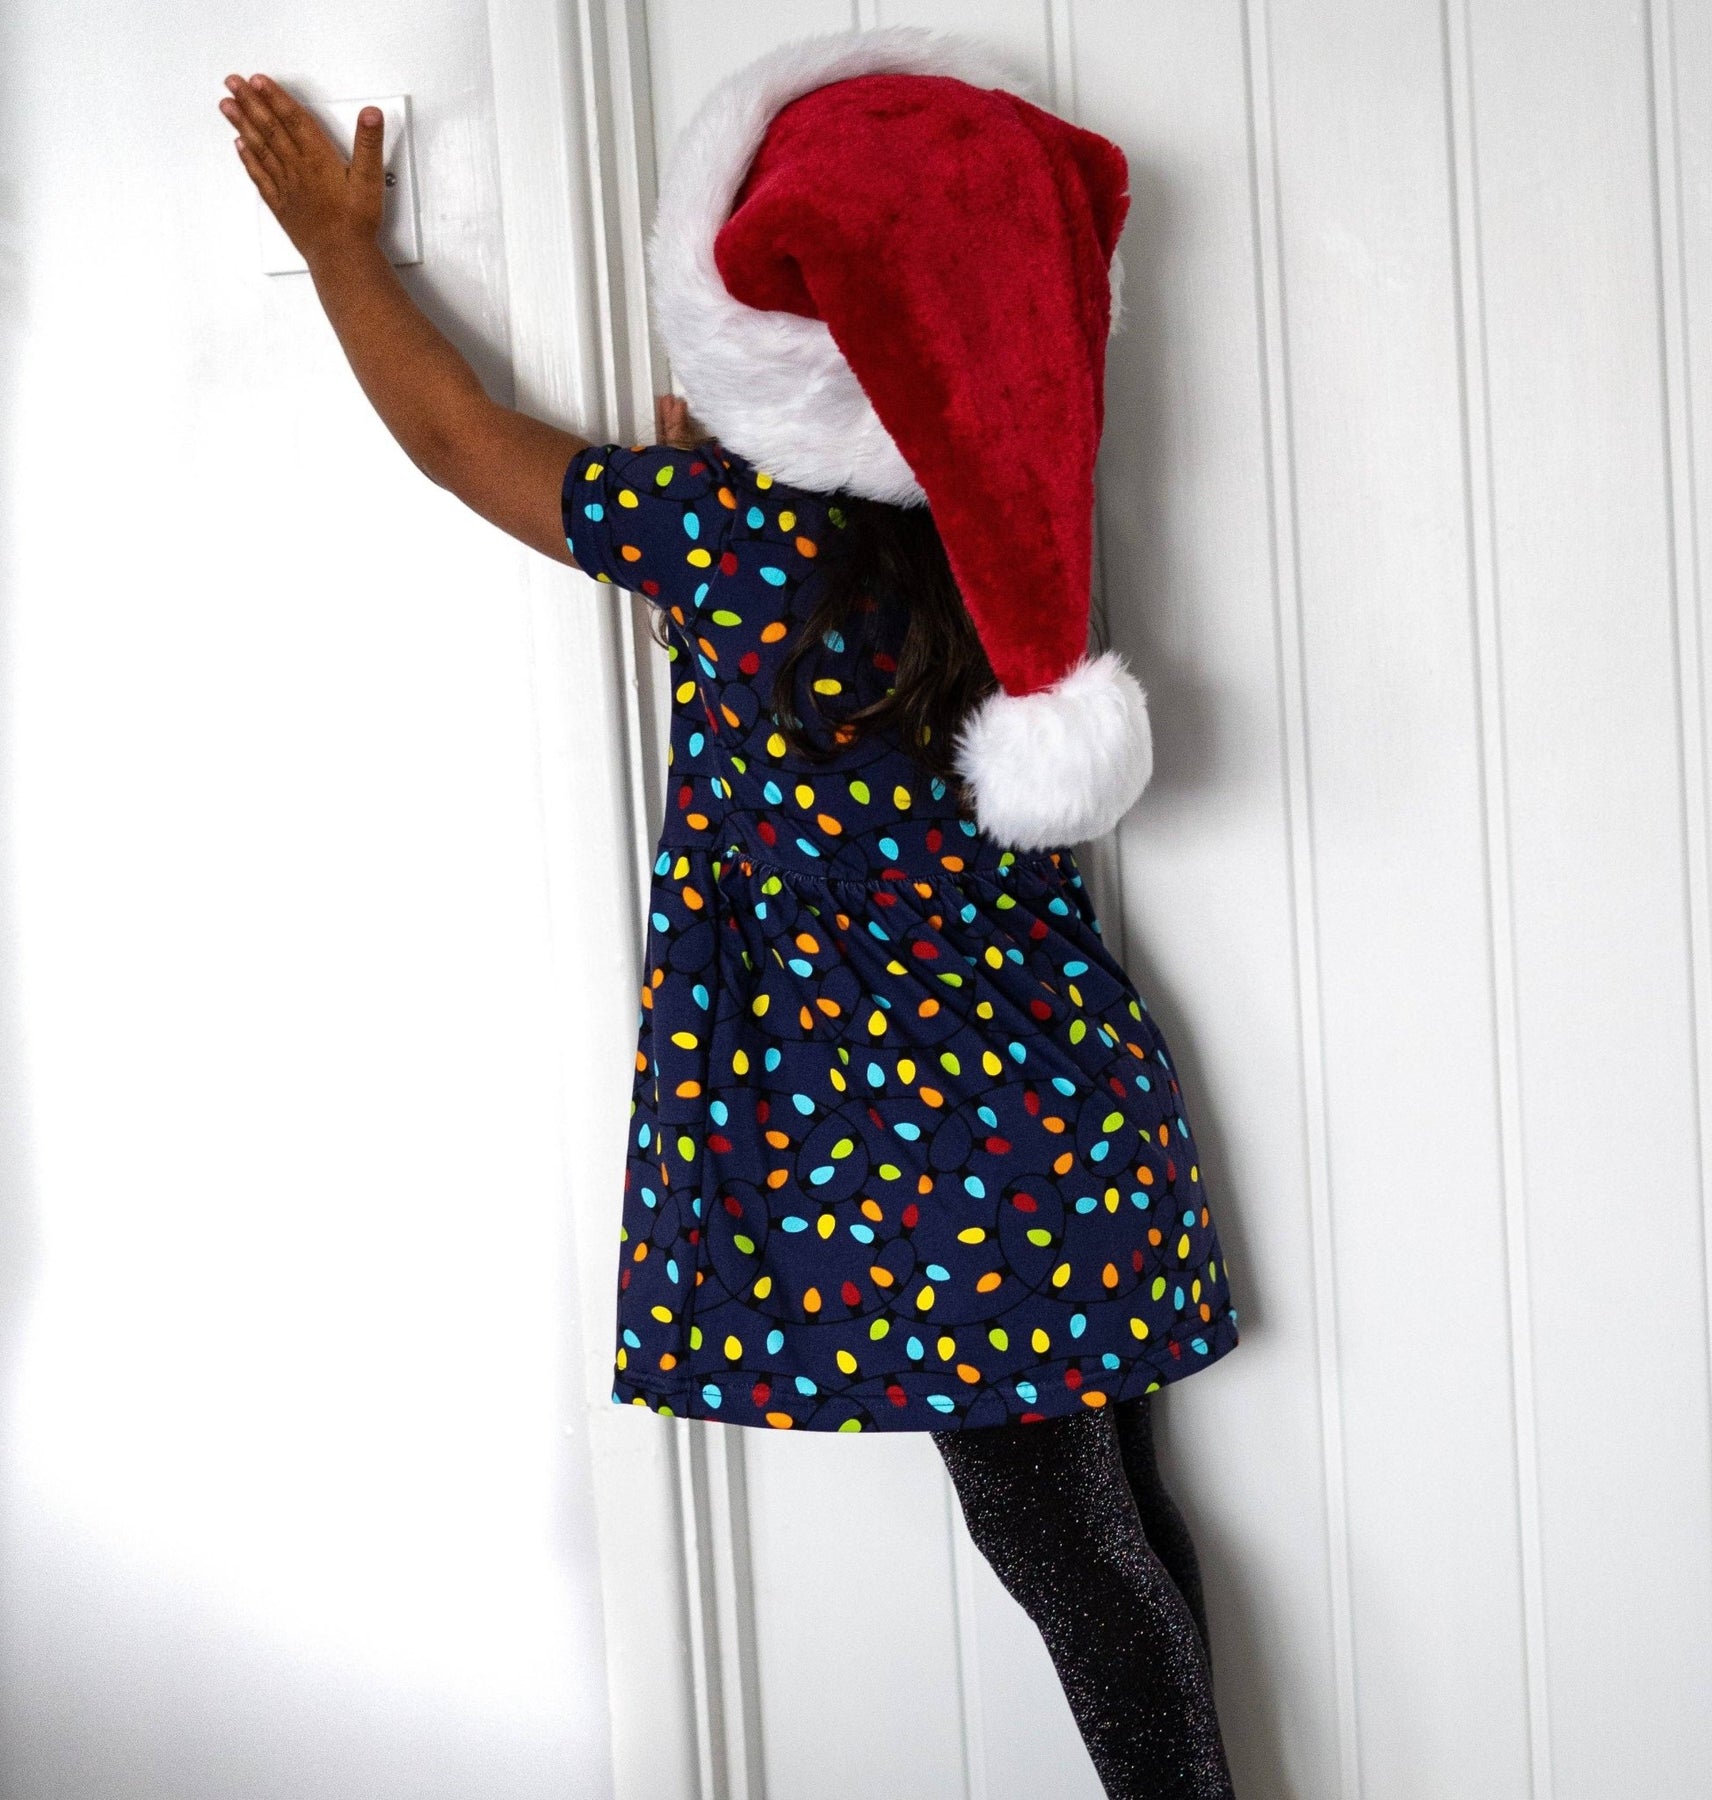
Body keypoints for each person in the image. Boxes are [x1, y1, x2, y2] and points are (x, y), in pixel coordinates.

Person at [219, 27, 1237, 1799]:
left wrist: (337, 253)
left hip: (931, 1156)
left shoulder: (728, 539)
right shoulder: (999, 526)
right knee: (1112, 1524)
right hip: (1061, 1101)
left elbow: (459, 443)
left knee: (1067, 1541)